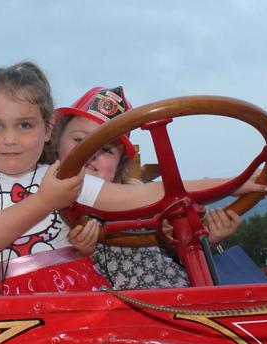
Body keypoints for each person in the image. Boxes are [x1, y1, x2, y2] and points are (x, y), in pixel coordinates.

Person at [0, 62, 265, 296]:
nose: (10, 139)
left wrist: (234, 181)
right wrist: (45, 202)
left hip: (76, 300)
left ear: (48, 128)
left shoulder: (66, 179)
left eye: (24, 125)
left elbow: (146, 195)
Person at [56, 85, 242, 289]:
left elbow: (177, 253)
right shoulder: (50, 193)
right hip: (117, 310)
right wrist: (233, 184)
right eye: (80, 141)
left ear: (119, 165)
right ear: (55, 142)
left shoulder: (142, 208)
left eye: (107, 150)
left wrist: (206, 239)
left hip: (177, 297)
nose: (91, 153)